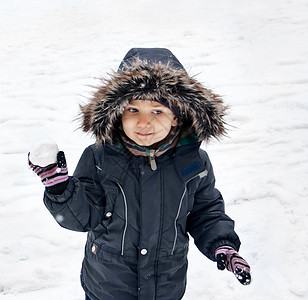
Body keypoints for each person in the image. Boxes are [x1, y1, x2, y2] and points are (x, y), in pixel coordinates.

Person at [28, 48, 251, 300]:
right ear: (117, 113)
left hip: (166, 286)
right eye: (133, 110)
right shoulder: (100, 156)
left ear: (177, 118)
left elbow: (206, 211)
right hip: (108, 286)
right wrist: (59, 189)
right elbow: (84, 217)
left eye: (157, 111)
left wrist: (223, 244)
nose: (144, 123)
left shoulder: (194, 162)